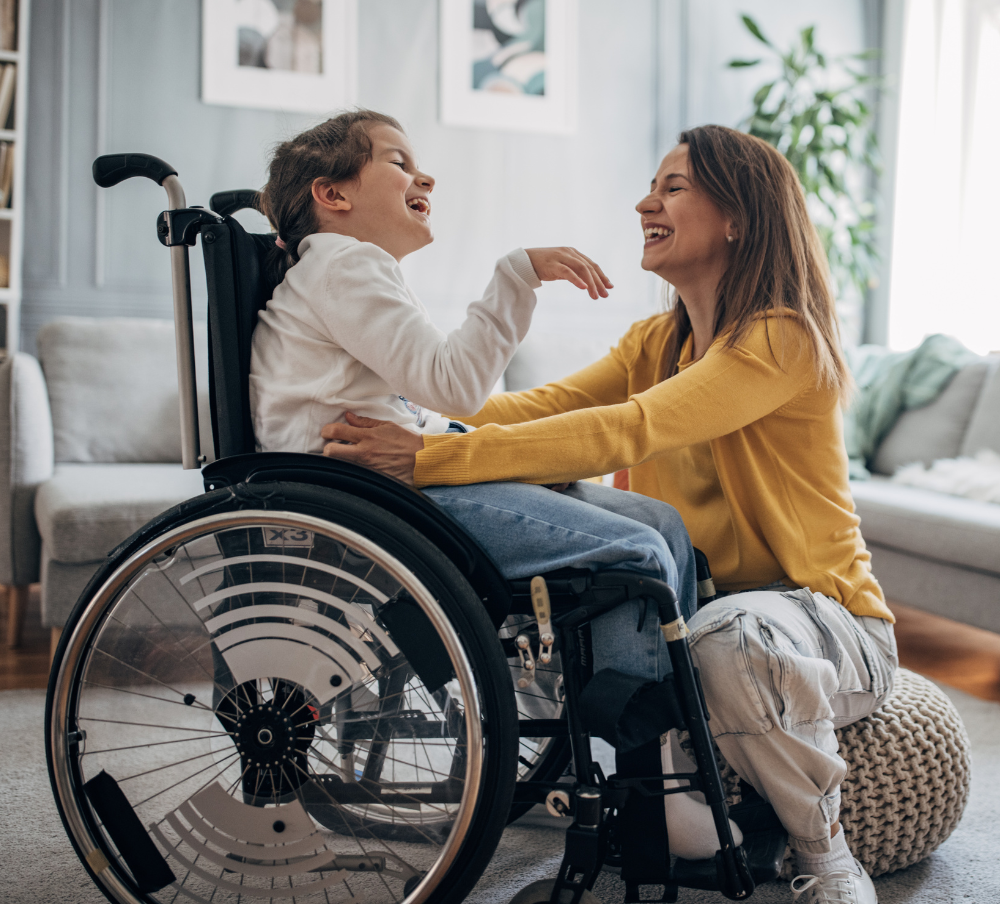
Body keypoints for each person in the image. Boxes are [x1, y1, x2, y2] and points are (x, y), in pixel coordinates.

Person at [319, 124, 896, 904]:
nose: (643, 202)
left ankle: (825, 856)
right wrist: (402, 415)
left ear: (739, 218)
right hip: (693, 610)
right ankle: (666, 801)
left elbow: (632, 428)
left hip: (823, 620)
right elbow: (532, 410)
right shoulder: (658, 338)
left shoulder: (781, 337)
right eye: (652, 186)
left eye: (673, 188)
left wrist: (426, 459)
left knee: (729, 639)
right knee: (557, 627)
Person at [249, 109, 706, 719]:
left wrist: (497, 454)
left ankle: (673, 735)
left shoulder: (337, 272)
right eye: (398, 162)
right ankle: (639, 765)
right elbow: (454, 382)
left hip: (386, 489)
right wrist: (515, 275)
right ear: (332, 195)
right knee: (639, 551)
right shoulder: (344, 265)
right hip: (376, 501)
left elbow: (420, 405)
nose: (425, 178)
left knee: (665, 525)